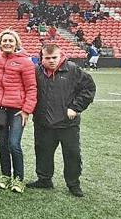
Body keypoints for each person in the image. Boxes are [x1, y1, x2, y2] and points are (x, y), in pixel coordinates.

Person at [28, 44, 96, 197]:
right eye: (47, 58)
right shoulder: (36, 72)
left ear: (61, 56)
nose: (51, 61)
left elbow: (89, 88)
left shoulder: (73, 70)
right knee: (43, 151)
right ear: (41, 58)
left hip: (68, 123)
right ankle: (44, 179)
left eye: (54, 57)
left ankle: (73, 183)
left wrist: (76, 107)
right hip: (43, 122)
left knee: (72, 153)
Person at [0, 30, 37, 193]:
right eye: (4, 40)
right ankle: (5, 176)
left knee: (14, 144)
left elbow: (31, 88)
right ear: (0, 42)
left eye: (11, 40)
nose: (7, 43)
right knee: (2, 144)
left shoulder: (25, 62)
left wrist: (26, 110)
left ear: (16, 43)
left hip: (17, 111)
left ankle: (19, 178)